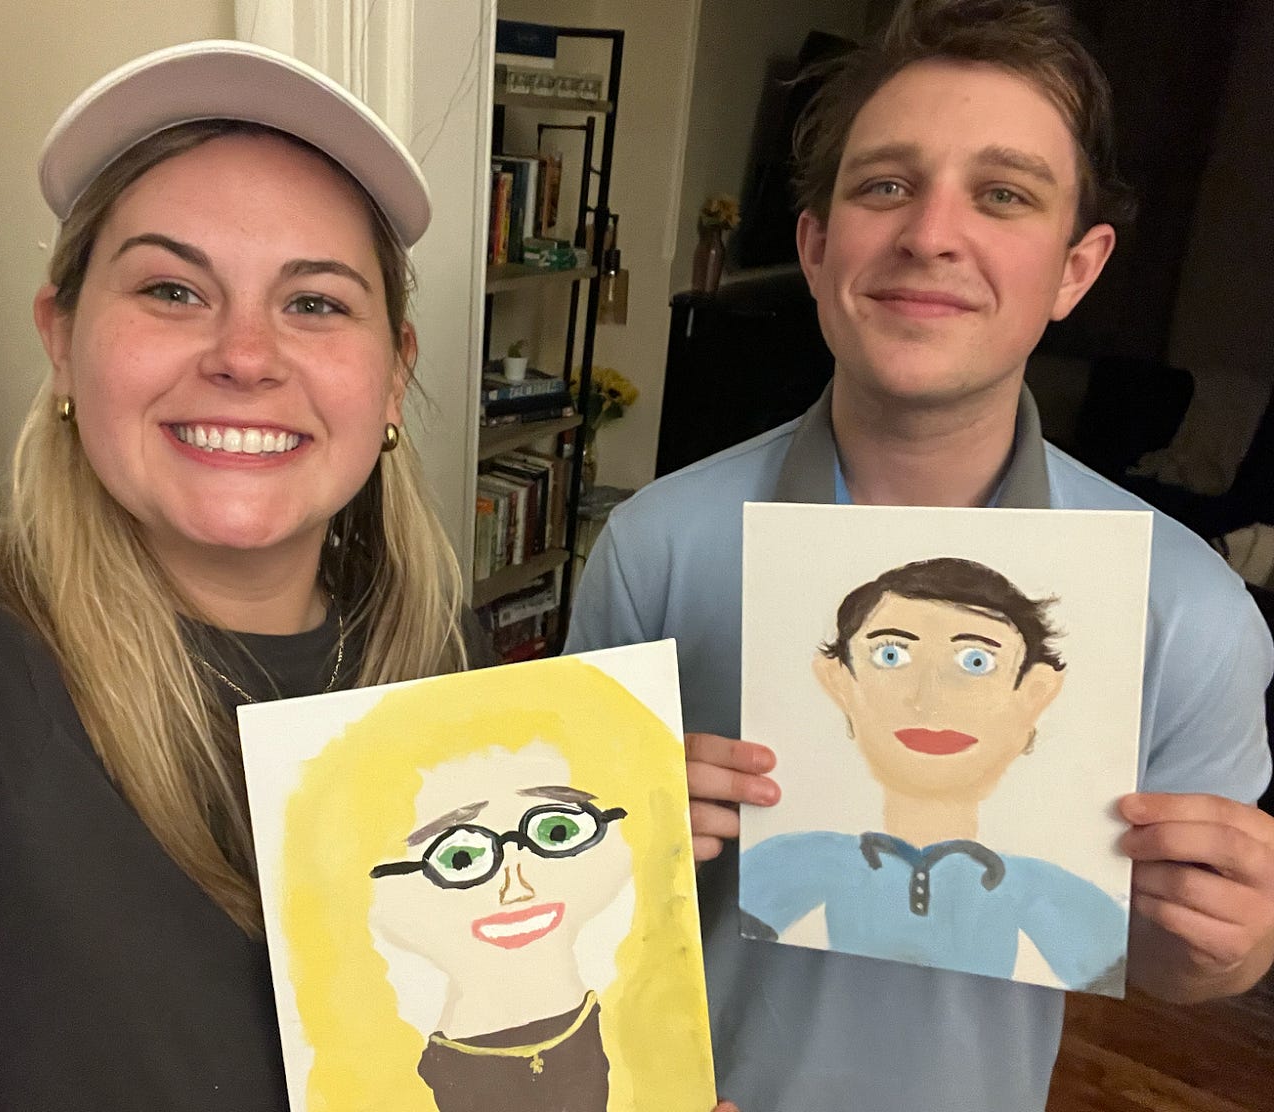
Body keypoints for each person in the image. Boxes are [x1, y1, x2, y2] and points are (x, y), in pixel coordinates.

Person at [566, 1, 1274, 1109]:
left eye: (1004, 194)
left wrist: (1226, 946)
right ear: (815, 246)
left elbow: (1177, 962)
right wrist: (610, 843)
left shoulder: (1187, 609)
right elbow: (572, 898)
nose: (931, 233)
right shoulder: (654, 546)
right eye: (886, 184)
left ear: (1076, 268)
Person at [0, 40, 488, 1111]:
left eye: (315, 303)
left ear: (394, 372)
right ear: (62, 337)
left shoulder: (442, 657)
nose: (245, 356)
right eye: (173, 289)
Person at [277, 657, 714, 1112]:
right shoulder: (370, 1081)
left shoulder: (657, 1037)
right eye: (459, 857)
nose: (516, 885)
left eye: (557, 830)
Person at [740, 557, 1126, 993]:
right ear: (840, 681)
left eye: (976, 661)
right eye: (890, 655)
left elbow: (1118, 974)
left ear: (1034, 693)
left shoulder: (1040, 889)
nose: (929, 700)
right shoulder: (804, 860)